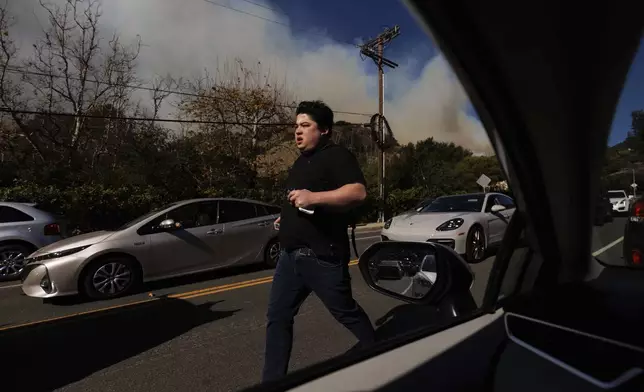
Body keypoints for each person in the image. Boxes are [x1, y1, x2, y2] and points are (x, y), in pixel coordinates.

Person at [262, 100, 376, 382]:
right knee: (278, 318)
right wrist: (285, 217)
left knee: (346, 312)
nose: (297, 132)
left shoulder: (337, 156)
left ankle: (381, 349)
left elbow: (358, 192)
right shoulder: (301, 162)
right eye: (296, 126)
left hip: (321, 256)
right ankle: (273, 382)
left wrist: (313, 198)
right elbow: (299, 200)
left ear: (324, 130)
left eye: (305, 125)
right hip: (289, 257)